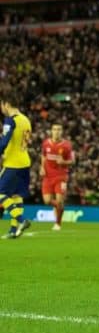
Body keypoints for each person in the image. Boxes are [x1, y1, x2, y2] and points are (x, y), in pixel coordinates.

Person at [0, 91, 32, 239]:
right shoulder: (26, 120)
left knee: (0, 194)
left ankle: (21, 220)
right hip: (25, 163)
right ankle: (13, 231)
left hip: (13, 163)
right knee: (15, 195)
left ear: (6, 104)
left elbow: (5, 142)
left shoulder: (9, 120)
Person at [40, 124, 75, 231]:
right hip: (48, 176)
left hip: (61, 176)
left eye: (59, 129)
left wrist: (64, 162)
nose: (56, 131)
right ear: (51, 131)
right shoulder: (46, 143)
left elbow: (72, 161)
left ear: (62, 131)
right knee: (47, 201)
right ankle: (61, 208)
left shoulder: (67, 145)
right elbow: (44, 155)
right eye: (54, 129)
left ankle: (58, 224)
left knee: (59, 201)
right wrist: (42, 167)